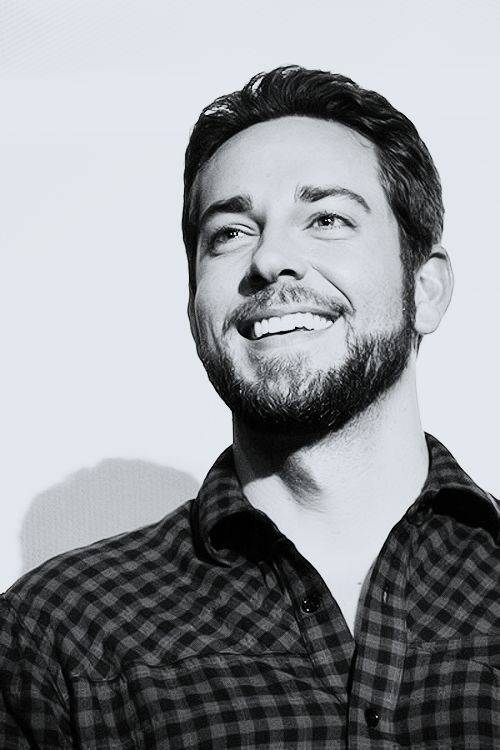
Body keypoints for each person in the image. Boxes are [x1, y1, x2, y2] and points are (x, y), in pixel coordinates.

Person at [1, 66, 498, 749]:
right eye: (230, 233)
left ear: (428, 289)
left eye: (327, 219)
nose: (270, 259)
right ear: (193, 307)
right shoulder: (54, 637)